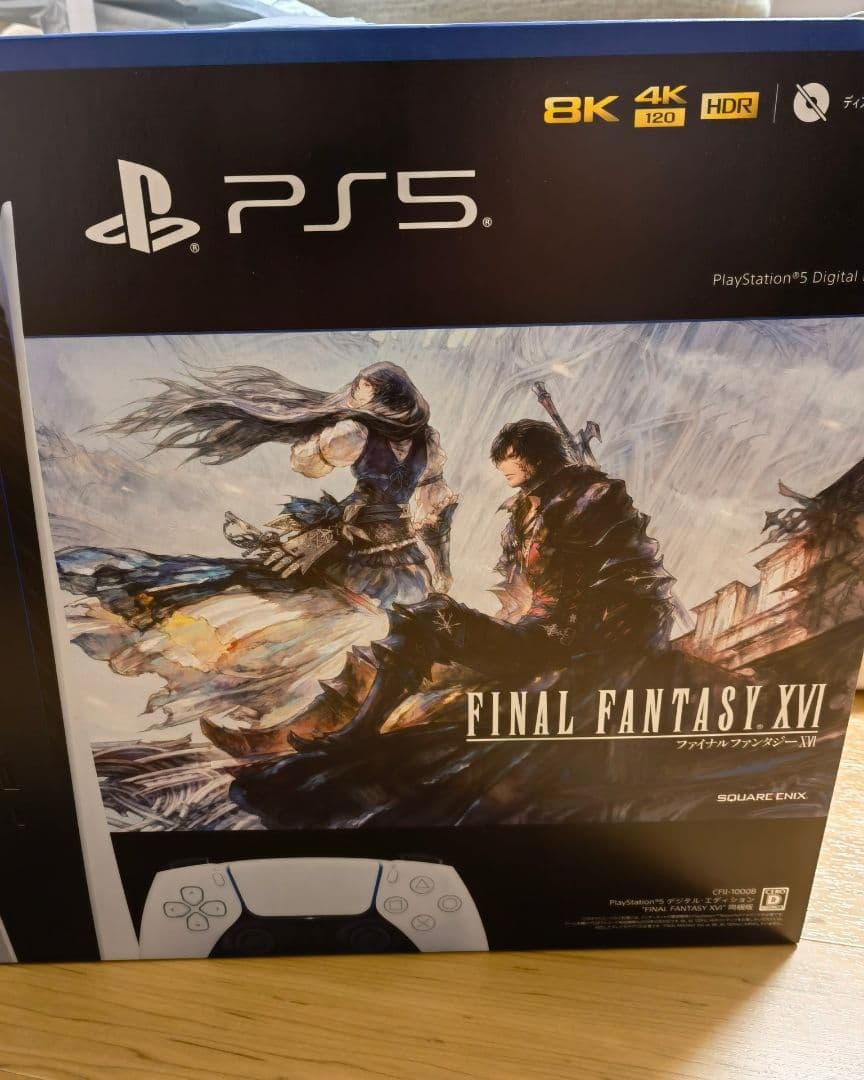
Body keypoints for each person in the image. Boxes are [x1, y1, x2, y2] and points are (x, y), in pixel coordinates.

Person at [55, 361, 457, 733]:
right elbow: (433, 504)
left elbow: (311, 466)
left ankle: (334, 710)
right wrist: (440, 565)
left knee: (338, 621)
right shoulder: (414, 440)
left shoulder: (362, 434)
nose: (352, 397)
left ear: (385, 399)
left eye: (361, 392)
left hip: (373, 550)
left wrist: (322, 436)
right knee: (308, 617)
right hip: (377, 548)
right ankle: (291, 706)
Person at [289, 418, 675, 751]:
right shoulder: (525, 511)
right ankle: (359, 726)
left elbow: (633, 578)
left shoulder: (594, 498)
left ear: (538, 457)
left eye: (509, 456)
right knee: (426, 616)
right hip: (535, 632)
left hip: (569, 641)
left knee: (432, 614)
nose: (500, 465)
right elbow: (522, 588)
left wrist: (607, 643)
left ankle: (361, 733)